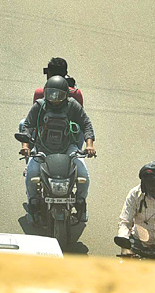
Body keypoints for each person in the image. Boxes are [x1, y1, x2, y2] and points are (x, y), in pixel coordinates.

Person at [18, 76, 96, 222]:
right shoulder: (39, 106)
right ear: (45, 93)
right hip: (42, 148)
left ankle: (81, 203)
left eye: (58, 94)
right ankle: (33, 203)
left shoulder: (72, 105)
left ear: (66, 94)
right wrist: (25, 146)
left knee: (84, 176)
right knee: (31, 173)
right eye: (51, 94)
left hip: (68, 148)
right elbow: (27, 125)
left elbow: (86, 124)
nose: (54, 98)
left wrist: (89, 145)